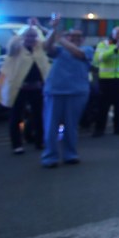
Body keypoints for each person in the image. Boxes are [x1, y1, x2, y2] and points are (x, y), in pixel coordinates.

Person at [41, 17, 94, 168]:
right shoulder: (58, 50)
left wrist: (60, 38)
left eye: (78, 37)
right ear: (68, 37)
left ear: (83, 39)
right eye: (72, 36)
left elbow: (78, 53)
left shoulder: (87, 50)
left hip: (77, 92)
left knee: (71, 126)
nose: (75, 39)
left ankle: (70, 154)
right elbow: (47, 47)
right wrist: (53, 30)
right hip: (55, 91)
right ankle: (50, 157)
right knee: (51, 126)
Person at [0, 22, 51, 154]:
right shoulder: (17, 48)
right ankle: (17, 144)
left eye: (33, 36)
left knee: (39, 116)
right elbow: (11, 48)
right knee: (16, 116)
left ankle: (39, 141)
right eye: (28, 36)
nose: (31, 39)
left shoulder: (39, 49)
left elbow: (50, 41)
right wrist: (23, 32)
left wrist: (40, 26)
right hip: (19, 88)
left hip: (36, 87)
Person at [91, 26, 119, 137]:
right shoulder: (104, 44)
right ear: (113, 34)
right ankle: (99, 129)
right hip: (106, 79)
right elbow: (99, 58)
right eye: (118, 33)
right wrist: (115, 49)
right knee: (103, 105)